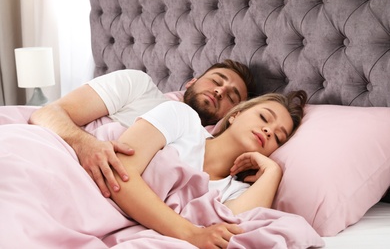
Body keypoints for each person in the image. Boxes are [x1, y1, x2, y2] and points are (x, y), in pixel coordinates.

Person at [102, 90, 307, 248]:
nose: (268, 130)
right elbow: (118, 173)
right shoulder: (183, 118)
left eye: (279, 137)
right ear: (235, 114)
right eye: (264, 118)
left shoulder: (237, 191)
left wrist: (273, 172)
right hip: (94, 195)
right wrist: (191, 234)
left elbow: (235, 234)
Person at [29, 60, 256, 197]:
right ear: (191, 82)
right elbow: (47, 113)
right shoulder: (139, 86)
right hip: (54, 159)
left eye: (232, 96)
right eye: (216, 81)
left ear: (232, 115)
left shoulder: (205, 151)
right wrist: (86, 144)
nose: (220, 91)